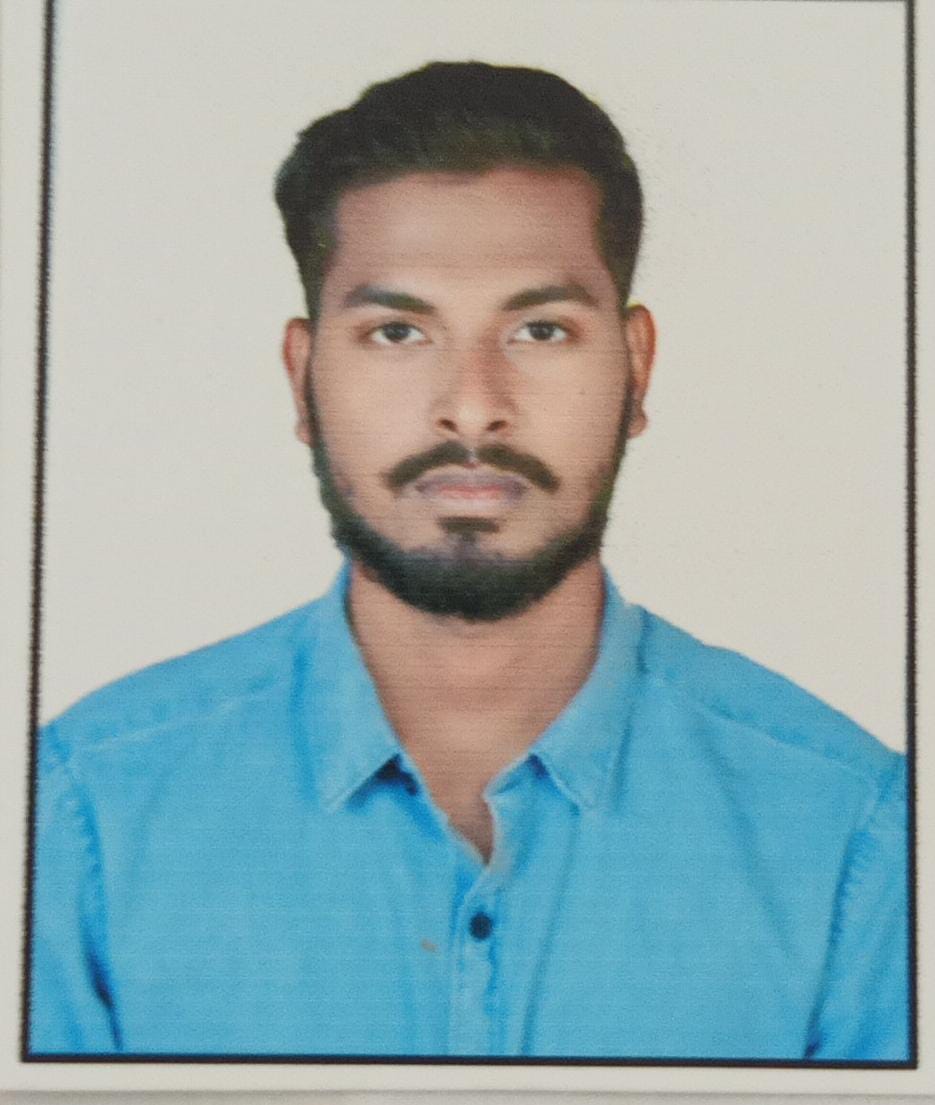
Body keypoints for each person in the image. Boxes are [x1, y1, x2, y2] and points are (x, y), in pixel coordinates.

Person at [28, 61, 908, 1061]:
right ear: (302, 378)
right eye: (397, 331)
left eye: (540, 329)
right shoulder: (83, 815)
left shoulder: (849, 830)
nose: (474, 406)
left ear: (635, 368)